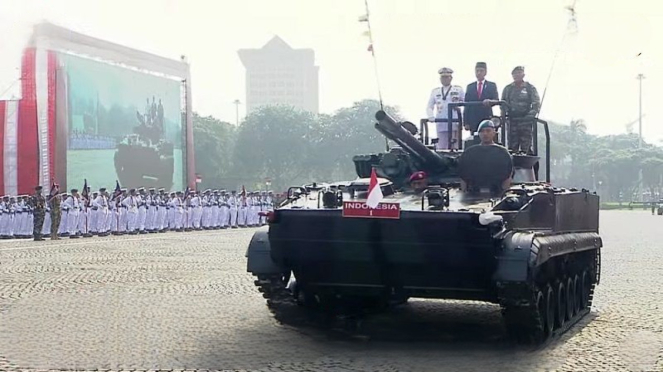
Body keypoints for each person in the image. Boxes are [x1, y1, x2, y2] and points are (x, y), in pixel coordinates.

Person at [501, 66, 541, 154]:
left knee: (526, 147)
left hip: (525, 121)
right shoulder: (508, 89)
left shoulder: (530, 88)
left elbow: (536, 104)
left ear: (523, 74)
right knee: (512, 147)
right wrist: (504, 117)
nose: (517, 75)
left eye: (519, 73)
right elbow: (503, 104)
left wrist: (529, 116)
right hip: (512, 121)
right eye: (515, 73)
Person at [426, 67, 465, 150]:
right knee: (442, 147)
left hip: (455, 122)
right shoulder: (435, 91)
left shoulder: (458, 89)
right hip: (441, 122)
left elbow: (466, 104)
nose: (444, 79)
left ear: (451, 78)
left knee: (455, 147)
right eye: (442, 77)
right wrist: (431, 116)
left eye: (446, 77)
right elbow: (429, 106)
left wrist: (463, 119)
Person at [464, 62, 500, 133]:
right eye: (477, 71)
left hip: (486, 116)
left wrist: (490, 101)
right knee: (474, 139)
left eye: (481, 71)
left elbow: (496, 99)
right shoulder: (470, 86)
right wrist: (466, 122)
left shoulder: (491, 85)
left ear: (485, 72)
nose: (479, 73)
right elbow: (466, 105)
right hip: (473, 118)